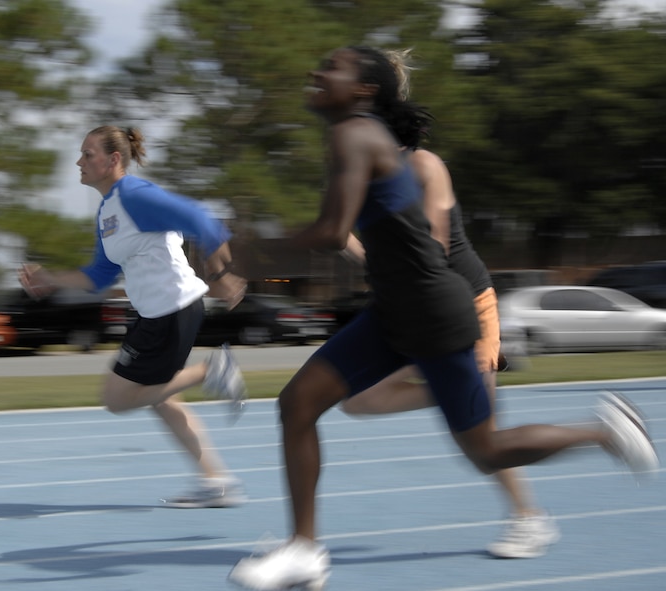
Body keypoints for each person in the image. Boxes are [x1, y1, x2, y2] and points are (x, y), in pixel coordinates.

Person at [228, 46, 658, 590]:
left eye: (332, 66)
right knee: (299, 403)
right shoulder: (361, 138)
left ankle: (604, 434)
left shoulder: (356, 135)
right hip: (396, 312)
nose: (316, 71)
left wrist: (249, 253)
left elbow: (334, 233)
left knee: (486, 452)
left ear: (364, 91)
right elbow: (352, 238)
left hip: (435, 314)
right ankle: (304, 552)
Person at [337, 49, 559, 559]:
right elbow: (361, 249)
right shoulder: (365, 182)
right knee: (357, 400)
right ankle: (456, 389)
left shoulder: (423, 166)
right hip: (414, 309)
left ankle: (531, 518)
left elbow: (433, 249)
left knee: (480, 443)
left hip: (463, 303)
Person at [19, 125, 248, 508]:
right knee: (162, 398)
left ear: (113, 160)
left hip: (171, 310)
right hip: (155, 313)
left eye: (87, 153)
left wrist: (220, 274)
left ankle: (212, 371)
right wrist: (50, 280)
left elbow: (202, 219)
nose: (79, 161)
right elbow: (98, 276)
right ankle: (216, 481)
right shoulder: (108, 211)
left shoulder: (134, 194)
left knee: (118, 398)